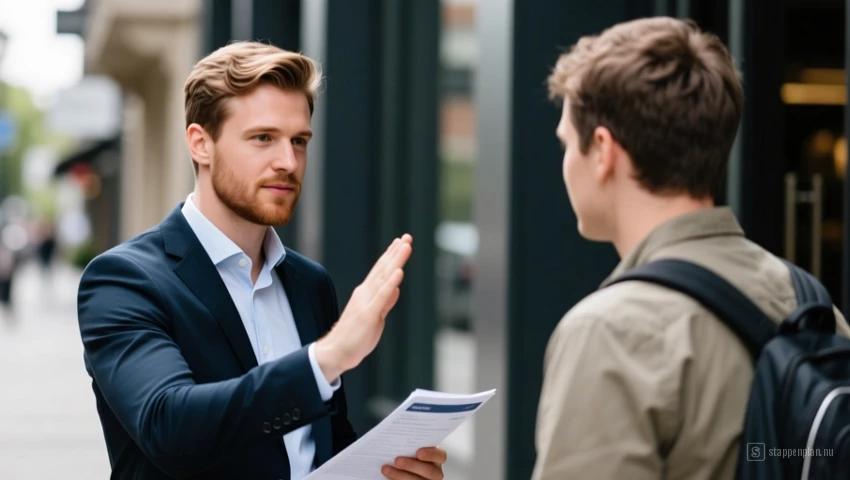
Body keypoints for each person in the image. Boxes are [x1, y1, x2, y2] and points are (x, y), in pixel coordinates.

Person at [77, 42, 447, 480]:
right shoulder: (123, 280)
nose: (288, 162)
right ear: (201, 144)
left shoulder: (310, 284)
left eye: (299, 141)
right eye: (263, 138)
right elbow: (169, 426)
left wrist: (385, 472)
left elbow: (320, 450)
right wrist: (327, 357)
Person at [532, 17, 850, 480]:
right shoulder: (813, 306)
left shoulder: (608, 331)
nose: (564, 164)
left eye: (566, 144)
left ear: (603, 150)